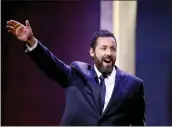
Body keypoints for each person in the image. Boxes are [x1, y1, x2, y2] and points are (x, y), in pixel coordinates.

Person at [6, 19, 146, 126]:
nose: (108, 53)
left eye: (113, 48)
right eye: (103, 48)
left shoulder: (134, 85)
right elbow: (51, 64)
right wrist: (31, 41)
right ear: (92, 52)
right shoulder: (77, 73)